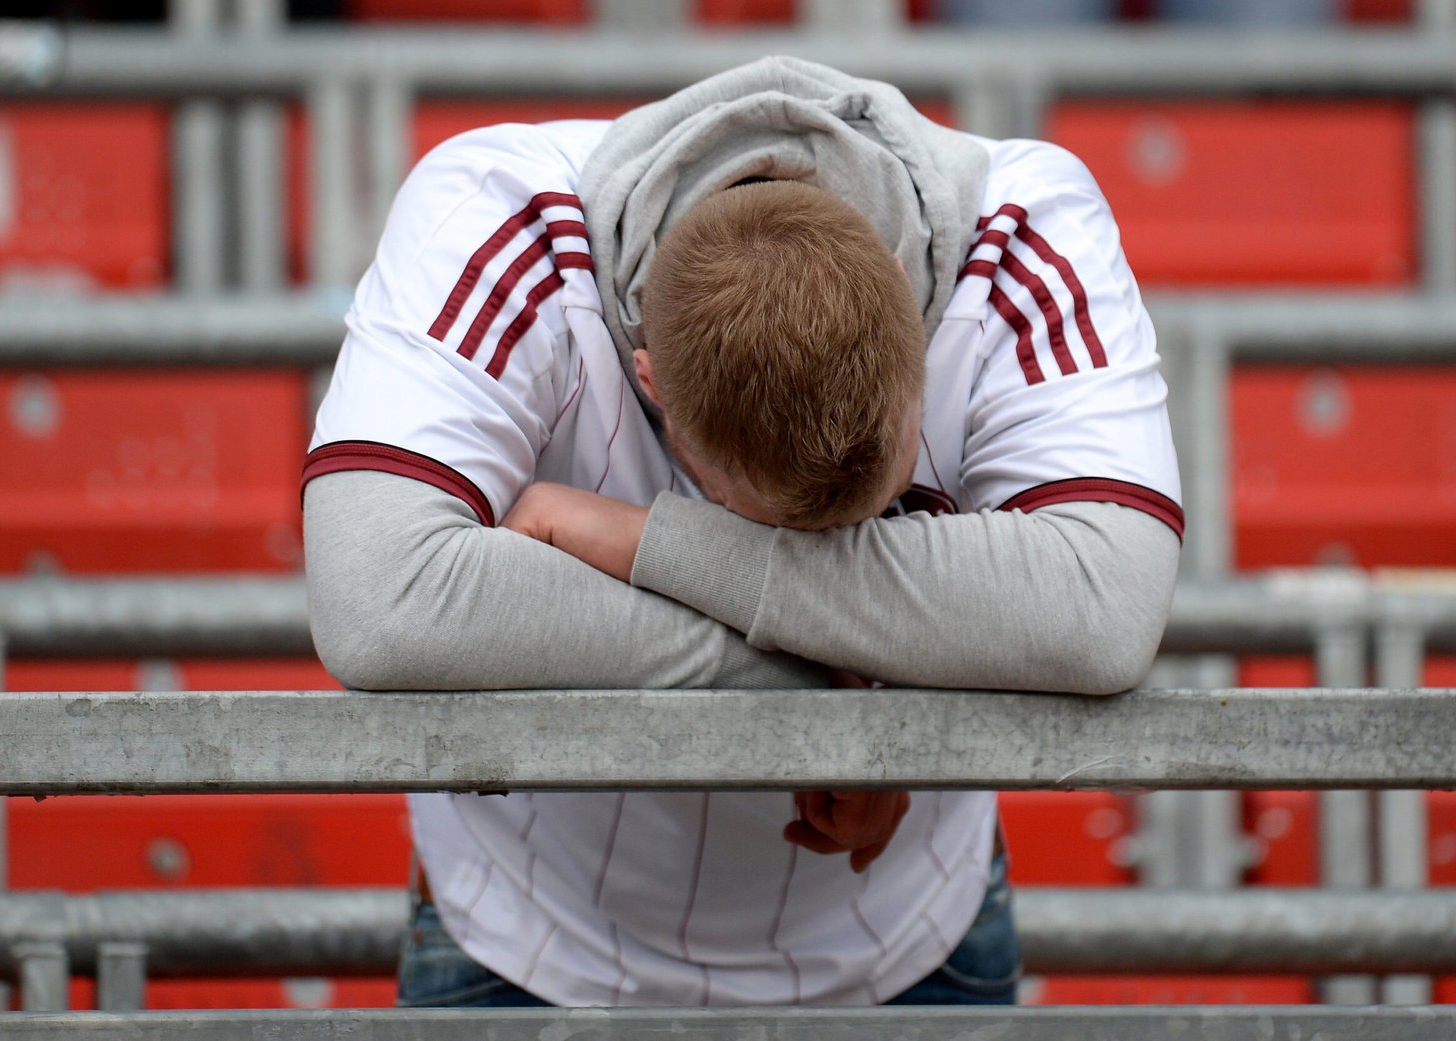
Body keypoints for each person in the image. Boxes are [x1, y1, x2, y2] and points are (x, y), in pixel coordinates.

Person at [301, 56, 1182, 1007]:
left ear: (903, 293)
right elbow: (379, 601)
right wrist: (839, 696)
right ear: (653, 384)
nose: (827, 554)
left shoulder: (1021, 223)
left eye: (860, 527)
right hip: (534, 940)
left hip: (905, 935)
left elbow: (1102, 610)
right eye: (770, 524)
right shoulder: (495, 211)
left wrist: (642, 542)